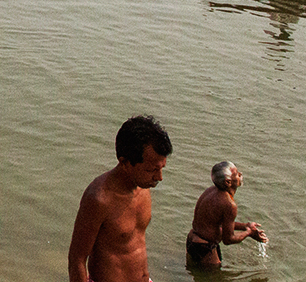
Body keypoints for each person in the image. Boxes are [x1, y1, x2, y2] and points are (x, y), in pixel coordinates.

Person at [68, 114, 173, 282]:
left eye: (162, 168)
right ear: (125, 162)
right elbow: (77, 260)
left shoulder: (143, 188)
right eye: (151, 170)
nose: (159, 177)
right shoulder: (99, 199)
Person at [185, 161, 266, 268]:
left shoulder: (210, 191)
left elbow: (217, 222)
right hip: (206, 249)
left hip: (193, 241)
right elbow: (228, 239)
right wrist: (249, 233)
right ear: (228, 182)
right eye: (236, 174)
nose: (240, 174)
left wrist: (245, 226)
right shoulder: (229, 204)